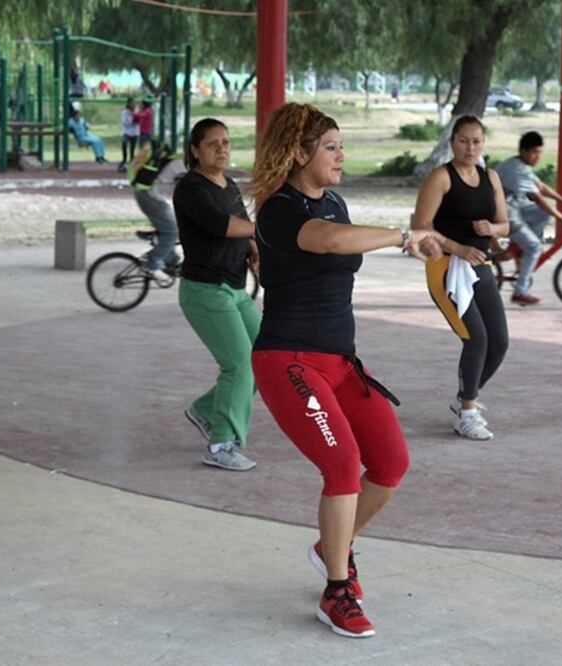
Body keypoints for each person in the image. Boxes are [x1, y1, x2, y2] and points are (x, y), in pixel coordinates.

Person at [252, 103, 444, 639]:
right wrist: (402, 234)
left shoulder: (334, 202)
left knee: (390, 463)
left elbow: (343, 240)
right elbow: (330, 241)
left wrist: (419, 244)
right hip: (289, 361)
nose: (341, 156)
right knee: (341, 465)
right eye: (331, 147)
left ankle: (329, 548)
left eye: (341, 146)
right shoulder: (277, 209)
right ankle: (337, 589)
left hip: (341, 362)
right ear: (299, 153)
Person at [412, 116, 511, 441]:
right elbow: (421, 226)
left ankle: (465, 396)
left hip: (480, 265)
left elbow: (504, 225)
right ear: (452, 142)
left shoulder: (491, 177)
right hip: (446, 267)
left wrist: (491, 229)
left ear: (483, 143)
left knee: (499, 341)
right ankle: (467, 413)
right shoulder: (441, 177)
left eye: (476, 141)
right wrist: (458, 248)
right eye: (464, 141)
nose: (470, 147)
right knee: (476, 337)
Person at [172, 118, 259, 472]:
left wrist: (254, 246)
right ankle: (221, 444)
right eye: (212, 143)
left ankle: (207, 410)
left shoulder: (229, 184)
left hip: (236, 288)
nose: (222, 148)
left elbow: (242, 227)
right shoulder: (191, 188)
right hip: (206, 291)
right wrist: (265, 230)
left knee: (265, 358)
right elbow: (222, 225)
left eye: (226, 142)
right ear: (195, 150)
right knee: (239, 364)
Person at [495, 131, 562, 306]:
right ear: (523, 151)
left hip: (513, 207)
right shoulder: (516, 170)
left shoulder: (521, 165)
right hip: (502, 213)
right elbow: (538, 198)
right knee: (535, 247)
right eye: (534, 153)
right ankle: (520, 292)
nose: (538, 157)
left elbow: (541, 187)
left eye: (540, 153)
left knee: (542, 214)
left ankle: (520, 249)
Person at [129, 141, 184, 283]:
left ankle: (171, 260)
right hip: (150, 196)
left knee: (173, 227)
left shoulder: (182, 160)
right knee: (172, 231)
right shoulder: (185, 166)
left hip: (149, 194)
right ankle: (152, 264)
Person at [118, 97, 140, 173]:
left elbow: (138, 121)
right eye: (131, 103)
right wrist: (132, 121)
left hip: (135, 132)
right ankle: (124, 159)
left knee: (132, 148)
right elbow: (125, 122)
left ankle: (131, 162)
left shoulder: (137, 111)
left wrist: (134, 119)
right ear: (128, 104)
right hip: (127, 132)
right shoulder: (125, 112)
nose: (133, 104)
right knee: (124, 143)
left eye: (133, 103)